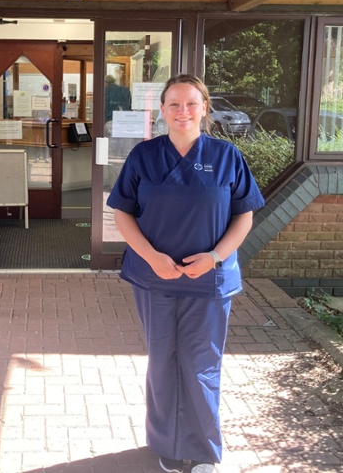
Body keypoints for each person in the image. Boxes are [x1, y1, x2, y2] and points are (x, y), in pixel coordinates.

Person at [107, 74, 265, 473]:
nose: (183, 111)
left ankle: (203, 451)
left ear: (204, 108)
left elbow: (243, 217)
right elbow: (122, 212)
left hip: (209, 281)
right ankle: (169, 445)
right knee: (162, 360)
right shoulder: (144, 156)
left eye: (191, 103)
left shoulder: (227, 156)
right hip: (154, 278)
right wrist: (152, 257)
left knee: (200, 363)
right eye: (174, 104)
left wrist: (213, 257)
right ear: (162, 110)